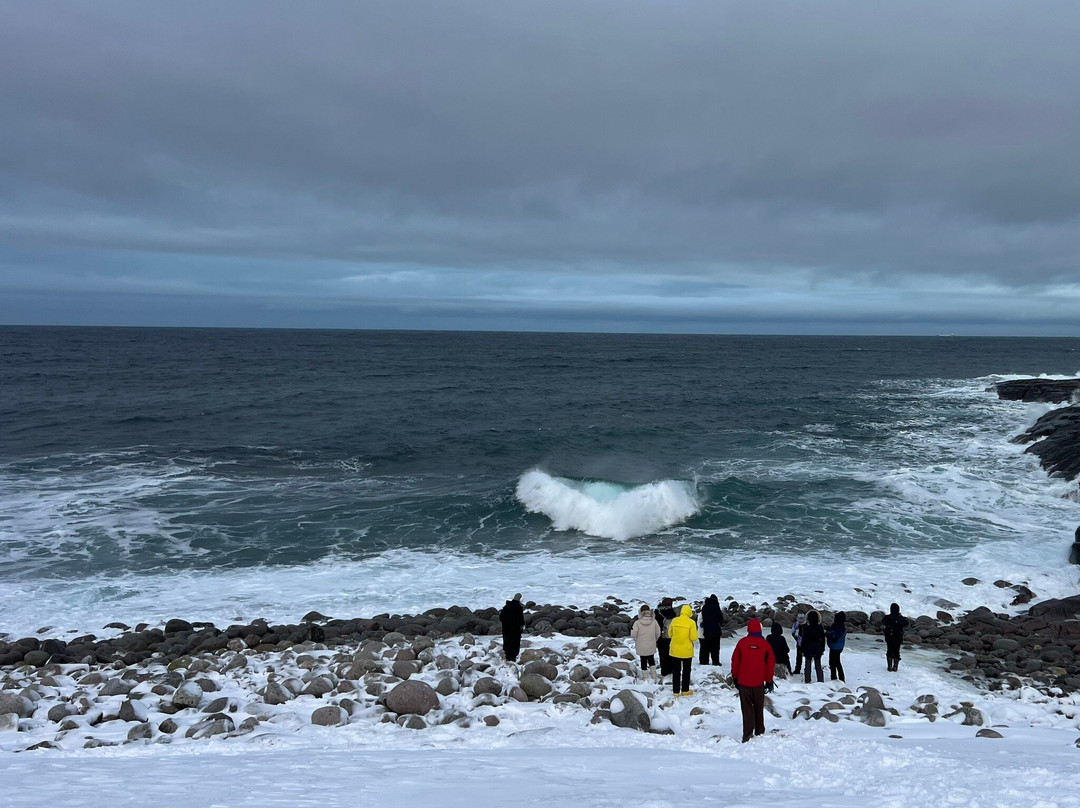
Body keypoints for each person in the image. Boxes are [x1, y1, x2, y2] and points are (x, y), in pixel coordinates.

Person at [730, 618, 776, 743]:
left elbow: (735, 661)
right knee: (758, 707)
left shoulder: (742, 643)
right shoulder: (765, 645)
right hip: (759, 682)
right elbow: (770, 664)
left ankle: (747, 734)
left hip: (743, 682)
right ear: (760, 629)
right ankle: (759, 730)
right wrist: (769, 680)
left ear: (748, 629)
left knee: (747, 709)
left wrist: (735, 677)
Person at [667, 604, 699, 697]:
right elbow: (694, 637)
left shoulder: (674, 620)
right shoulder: (691, 622)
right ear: (689, 612)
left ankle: (676, 692)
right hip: (686, 651)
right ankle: (685, 690)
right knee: (686, 671)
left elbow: (669, 634)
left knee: (676, 671)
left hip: (675, 650)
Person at [630, 605, 662, 680]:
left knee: (643, 660)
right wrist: (654, 639)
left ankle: (645, 676)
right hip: (651, 644)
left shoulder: (637, 623)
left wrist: (637, 639)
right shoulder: (654, 621)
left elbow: (633, 634)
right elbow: (658, 632)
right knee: (651, 659)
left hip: (641, 644)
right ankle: (654, 675)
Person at [654, 597, 677, 684]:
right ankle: (672, 670)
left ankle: (664, 671)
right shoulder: (673, 613)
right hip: (671, 636)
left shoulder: (658, 613)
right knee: (671, 653)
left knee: (662, 654)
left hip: (661, 637)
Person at [881, 602, 910, 671]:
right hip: (898, 637)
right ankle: (895, 667)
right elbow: (906, 623)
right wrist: (900, 617)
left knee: (889, 651)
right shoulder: (900, 618)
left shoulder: (887, 617)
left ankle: (889, 667)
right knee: (897, 651)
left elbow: (883, 621)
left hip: (889, 636)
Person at [800, 610, 825, 683]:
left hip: (808, 647)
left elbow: (804, 638)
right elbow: (823, 639)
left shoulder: (806, 627)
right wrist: (822, 648)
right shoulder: (819, 627)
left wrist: (802, 649)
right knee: (818, 665)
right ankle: (820, 680)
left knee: (807, 665)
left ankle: (807, 680)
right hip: (817, 647)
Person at [498, 593, 525, 663]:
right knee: (514, 643)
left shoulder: (506, 606)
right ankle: (513, 659)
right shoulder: (518, 608)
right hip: (515, 630)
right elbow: (521, 620)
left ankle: (507, 657)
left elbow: (501, 617)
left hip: (506, 629)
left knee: (507, 642)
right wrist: (521, 627)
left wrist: (506, 623)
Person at [698, 594, 724, 666]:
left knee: (705, 647)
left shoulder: (705, 607)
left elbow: (702, 618)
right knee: (715, 648)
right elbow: (720, 619)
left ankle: (704, 661)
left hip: (706, 630)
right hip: (716, 630)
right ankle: (715, 662)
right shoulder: (716, 607)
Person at [826, 611, 847, 681]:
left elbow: (834, 638)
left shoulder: (839, 627)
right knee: (834, 662)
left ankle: (837, 678)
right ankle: (837, 678)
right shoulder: (840, 626)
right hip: (837, 646)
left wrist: (827, 633)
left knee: (835, 662)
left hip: (836, 647)